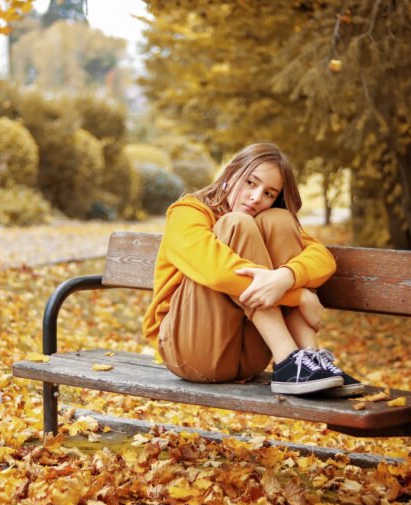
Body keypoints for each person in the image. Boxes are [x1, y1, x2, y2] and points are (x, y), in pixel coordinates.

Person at [142, 142, 363, 397]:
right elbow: (218, 271)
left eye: (269, 193)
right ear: (230, 173)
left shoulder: (267, 216)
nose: (257, 197)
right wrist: (298, 295)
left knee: (280, 220)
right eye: (250, 182)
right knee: (237, 224)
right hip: (191, 351)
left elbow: (322, 258)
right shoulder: (188, 212)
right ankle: (287, 357)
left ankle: (309, 358)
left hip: (250, 357)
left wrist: (286, 276)